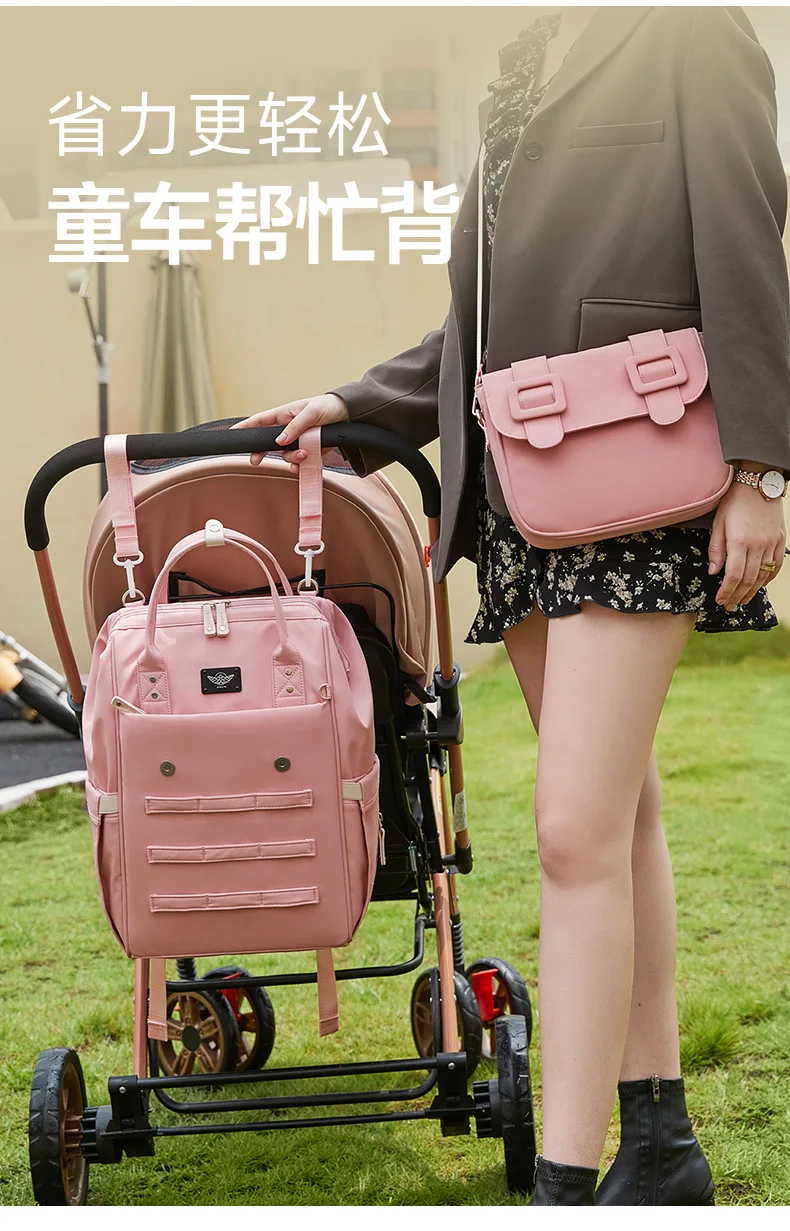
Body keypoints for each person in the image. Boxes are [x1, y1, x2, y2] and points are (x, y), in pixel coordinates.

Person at [234, 6, 790, 1205]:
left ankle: (565, 1181)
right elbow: (487, 316)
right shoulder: (529, 53)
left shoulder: (688, 29)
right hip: (521, 490)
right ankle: (658, 1141)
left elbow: (749, 252)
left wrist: (760, 470)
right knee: (617, 820)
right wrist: (358, 402)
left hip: (637, 477)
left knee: (574, 832)